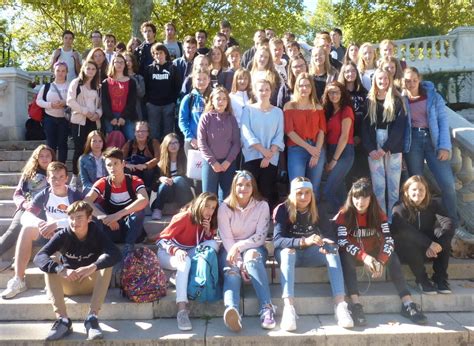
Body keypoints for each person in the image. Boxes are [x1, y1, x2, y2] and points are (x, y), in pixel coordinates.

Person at [336, 178, 427, 326]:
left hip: (372, 251)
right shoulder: (344, 213)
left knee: (392, 255)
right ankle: (356, 304)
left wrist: (381, 260)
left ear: (371, 198)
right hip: (355, 253)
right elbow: (342, 242)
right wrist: (365, 257)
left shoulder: (378, 213)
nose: (360, 201)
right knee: (345, 256)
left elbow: (389, 240)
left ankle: (408, 303)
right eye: (356, 197)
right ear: (351, 198)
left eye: (365, 197)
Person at [33, 201, 121, 341]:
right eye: (71, 218)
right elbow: (39, 257)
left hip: (90, 282)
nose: (74, 222)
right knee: (50, 263)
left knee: (106, 262)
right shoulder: (62, 235)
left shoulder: (97, 233)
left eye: (79, 217)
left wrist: (93, 266)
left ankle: (92, 319)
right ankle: (63, 320)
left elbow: (115, 254)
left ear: (89, 218)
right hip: (68, 283)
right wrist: (61, 269)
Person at [274, 177, 353, 330]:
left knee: (332, 251)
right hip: (290, 256)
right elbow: (277, 240)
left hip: (310, 254)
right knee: (288, 252)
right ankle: (288, 308)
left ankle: (340, 306)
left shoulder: (318, 208)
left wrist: (326, 242)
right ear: (292, 194)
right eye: (299, 193)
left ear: (312, 194)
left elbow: (329, 234)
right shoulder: (283, 209)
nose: (304, 197)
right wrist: (303, 241)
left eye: (307, 193)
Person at [1, 162, 82, 299]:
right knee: (27, 229)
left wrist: (56, 225)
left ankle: (55, 282)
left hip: (70, 234)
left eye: (61, 177)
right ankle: (18, 280)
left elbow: (83, 220)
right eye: (53, 178)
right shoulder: (44, 194)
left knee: (58, 246)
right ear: (47, 179)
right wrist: (40, 224)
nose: (57, 181)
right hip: (49, 233)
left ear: (66, 178)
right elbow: (26, 215)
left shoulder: (75, 195)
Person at [218, 170, 276, 332]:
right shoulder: (224, 207)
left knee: (252, 257)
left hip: (253, 246)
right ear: (234, 187)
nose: (243, 188)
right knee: (232, 270)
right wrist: (239, 261)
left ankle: (267, 308)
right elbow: (227, 238)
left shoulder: (262, 206)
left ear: (253, 187)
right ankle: (232, 310)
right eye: (239, 185)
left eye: (247, 185)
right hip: (230, 248)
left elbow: (260, 236)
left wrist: (239, 247)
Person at [402, 67, 458, 225]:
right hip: (412, 143)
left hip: (433, 141)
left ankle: (452, 221)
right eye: (407, 80)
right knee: (416, 186)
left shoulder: (433, 96)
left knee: (448, 184)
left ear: (419, 79)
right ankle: (420, 222)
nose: (411, 83)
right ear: (403, 81)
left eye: (414, 80)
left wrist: (445, 146)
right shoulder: (401, 98)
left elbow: (443, 121)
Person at [156, 192, 219, 331]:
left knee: (214, 245)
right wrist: (176, 250)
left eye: (213, 208)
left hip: (188, 252)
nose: (209, 211)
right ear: (199, 204)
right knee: (185, 262)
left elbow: (202, 245)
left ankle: (177, 277)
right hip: (168, 253)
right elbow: (161, 240)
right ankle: (182, 310)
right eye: (207, 206)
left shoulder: (208, 221)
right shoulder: (184, 217)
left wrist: (208, 233)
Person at [391, 175, 455, 294]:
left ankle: (440, 278)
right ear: (406, 191)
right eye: (414, 189)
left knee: (444, 236)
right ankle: (422, 280)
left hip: (428, 249)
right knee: (409, 242)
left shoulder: (433, 204)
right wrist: (429, 244)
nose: (418, 193)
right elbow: (406, 231)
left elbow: (448, 222)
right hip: (406, 251)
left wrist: (438, 245)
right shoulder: (398, 208)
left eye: (421, 189)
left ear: (426, 191)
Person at [84, 147, 148, 257]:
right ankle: (103, 246)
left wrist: (117, 215)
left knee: (139, 211)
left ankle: (128, 247)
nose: (112, 168)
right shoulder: (103, 182)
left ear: (123, 164)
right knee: (94, 208)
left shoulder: (134, 180)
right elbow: (86, 201)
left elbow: (144, 199)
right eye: (109, 165)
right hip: (112, 229)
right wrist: (104, 217)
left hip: (131, 229)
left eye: (115, 163)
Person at [362, 68, 406, 220]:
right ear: (374, 81)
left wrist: (386, 147)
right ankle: (381, 221)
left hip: (392, 147)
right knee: (378, 188)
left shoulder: (397, 100)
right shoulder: (369, 101)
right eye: (380, 79)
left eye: (386, 79)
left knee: (393, 188)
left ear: (390, 80)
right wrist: (371, 150)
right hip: (374, 147)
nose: (383, 81)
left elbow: (400, 128)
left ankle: (394, 221)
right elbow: (364, 128)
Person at [0, 145, 54, 257]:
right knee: (14, 229)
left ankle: (22, 256)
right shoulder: (29, 174)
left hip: (47, 209)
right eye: (41, 156)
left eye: (47, 156)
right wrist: (25, 204)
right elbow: (18, 194)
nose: (44, 159)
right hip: (27, 208)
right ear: (37, 158)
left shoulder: (56, 173)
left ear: (52, 158)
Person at [241, 79, 285, 210]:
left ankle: (265, 220)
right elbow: (246, 132)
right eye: (260, 90)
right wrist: (262, 151)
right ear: (254, 92)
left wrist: (268, 155)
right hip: (252, 156)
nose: (264, 92)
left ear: (271, 91)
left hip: (271, 158)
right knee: (250, 192)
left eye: (267, 89)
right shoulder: (248, 110)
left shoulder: (278, 112)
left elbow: (279, 134)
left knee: (267, 191)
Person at [284, 73, 326, 196]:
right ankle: (295, 214)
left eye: (307, 86)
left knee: (313, 189)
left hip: (316, 149)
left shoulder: (317, 107)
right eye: (301, 85)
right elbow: (290, 132)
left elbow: (322, 131)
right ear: (296, 87)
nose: (304, 88)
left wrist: (316, 152)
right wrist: (309, 148)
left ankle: (312, 215)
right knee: (297, 186)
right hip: (297, 149)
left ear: (311, 88)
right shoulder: (289, 106)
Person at [198, 87, 240, 201]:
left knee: (227, 198)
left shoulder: (231, 119)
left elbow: (236, 143)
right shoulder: (205, 118)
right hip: (210, 163)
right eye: (218, 99)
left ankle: (223, 219)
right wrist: (213, 162)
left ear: (227, 102)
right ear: (212, 100)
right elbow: (201, 142)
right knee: (208, 197)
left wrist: (228, 161)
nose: (221, 102)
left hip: (228, 163)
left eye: (224, 99)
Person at [67, 59, 102, 190]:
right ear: (83, 69)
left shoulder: (97, 86)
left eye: (93, 69)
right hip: (80, 121)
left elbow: (100, 105)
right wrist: (86, 112)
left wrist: (98, 113)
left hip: (93, 122)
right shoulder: (76, 83)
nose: (91, 71)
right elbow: (70, 101)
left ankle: (90, 177)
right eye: (88, 68)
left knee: (93, 150)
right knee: (79, 149)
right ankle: (75, 177)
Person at [321, 81, 355, 213]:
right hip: (331, 150)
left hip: (344, 152)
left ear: (342, 93)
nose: (333, 95)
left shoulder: (346, 110)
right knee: (340, 192)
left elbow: (344, 137)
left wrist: (334, 160)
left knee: (328, 190)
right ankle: (347, 220)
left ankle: (341, 218)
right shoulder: (329, 111)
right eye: (330, 92)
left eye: (336, 92)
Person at [338, 62, 369, 181]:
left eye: (353, 71)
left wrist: (359, 135)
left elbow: (368, 116)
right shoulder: (339, 92)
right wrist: (350, 135)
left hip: (362, 136)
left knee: (362, 171)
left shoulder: (364, 92)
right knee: (348, 172)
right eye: (347, 71)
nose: (350, 74)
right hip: (345, 137)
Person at [151, 133, 193, 220]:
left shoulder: (186, 159)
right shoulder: (160, 163)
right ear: (166, 145)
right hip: (168, 193)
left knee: (179, 180)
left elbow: (191, 181)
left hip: (182, 193)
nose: (173, 145)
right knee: (164, 184)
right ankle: (157, 210)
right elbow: (154, 186)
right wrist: (161, 179)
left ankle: (184, 208)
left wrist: (174, 179)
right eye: (170, 143)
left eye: (176, 142)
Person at [144, 43, 181, 141]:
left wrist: (173, 101)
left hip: (168, 105)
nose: (158, 55)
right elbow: (145, 87)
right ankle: (156, 154)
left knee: (168, 133)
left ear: (165, 54)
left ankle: (167, 155)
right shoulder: (149, 69)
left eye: (160, 53)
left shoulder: (172, 68)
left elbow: (177, 87)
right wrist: (148, 102)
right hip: (153, 105)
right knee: (153, 133)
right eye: (156, 53)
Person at [36, 61, 69, 163]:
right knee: (51, 145)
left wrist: (65, 102)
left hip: (64, 119)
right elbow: (38, 101)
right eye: (58, 70)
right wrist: (50, 105)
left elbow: (75, 100)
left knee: (63, 143)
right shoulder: (47, 86)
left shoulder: (70, 86)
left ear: (66, 72)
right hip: (49, 119)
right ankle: (51, 167)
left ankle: (61, 166)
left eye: (63, 71)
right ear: (54, 72)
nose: (60, 73)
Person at [101, 53, 137, 141]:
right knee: (109, 141)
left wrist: (123, 117)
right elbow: (104, 102)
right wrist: (111, 117)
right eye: (117, 62)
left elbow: (132, 102)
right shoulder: (105, 82)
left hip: (126, 116)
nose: (119, 64)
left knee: (131, 139)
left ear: (125, 64)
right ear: (113, 64)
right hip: (110, 117)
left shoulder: (131, 82)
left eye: (122, 62)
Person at [179, 68, 211, 156]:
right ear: (194, 80)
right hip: (193, 142)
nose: (202, 82)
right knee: (194, 169)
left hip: (211, 142)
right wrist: (191, 138)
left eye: (204, 79)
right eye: (199, 79)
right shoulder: (188, 99)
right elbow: (182, 121)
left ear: (209, 80)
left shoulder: (214, 98)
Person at [122, 121, 160, 193]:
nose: (140, 133)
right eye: (138, 131)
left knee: (149, 171)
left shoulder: (154, 143)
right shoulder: (129, 143)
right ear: (134, 133)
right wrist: (127, 164)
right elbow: (120, 158)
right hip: (133, 170)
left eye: (143, 131)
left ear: (148, 133)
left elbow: (158, 158)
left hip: (148, 173)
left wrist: (145, 165)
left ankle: (147, 193)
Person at [79, 130, 107, 196]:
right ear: (89, 142)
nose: (97, 144)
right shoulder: (83, 159)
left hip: (106, 184)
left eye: (100, 141)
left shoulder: (108, 157)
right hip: (91, 186)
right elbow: (85, 182)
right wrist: (97, 189)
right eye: (94, 141)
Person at [123, 51, 145, 120]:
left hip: (135, 111)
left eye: (130, 60)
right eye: (126, 60)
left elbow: (141, 94)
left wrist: (133, 79)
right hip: (121, 112)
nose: (128, 63)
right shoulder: (118, 77)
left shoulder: (139, 78)